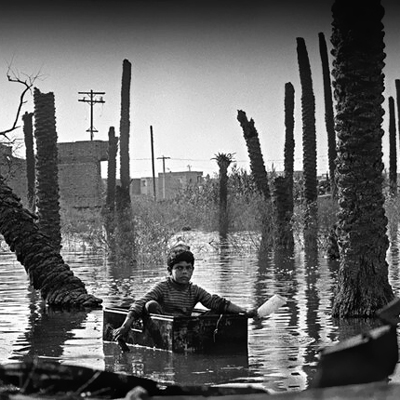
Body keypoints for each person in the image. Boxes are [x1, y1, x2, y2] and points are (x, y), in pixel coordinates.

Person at [113, 243, 258, 341]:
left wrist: (244, 311)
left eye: (188, 268)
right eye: (179, 268)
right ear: (170, 271)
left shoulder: (194, 290)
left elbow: (216, 302)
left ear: (193, 270)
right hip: (164, 330)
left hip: (185, 331)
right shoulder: (163, 287)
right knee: (150, 304)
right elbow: (139, 303)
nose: (185, 272)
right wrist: (125, 326)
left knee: (218, 312)